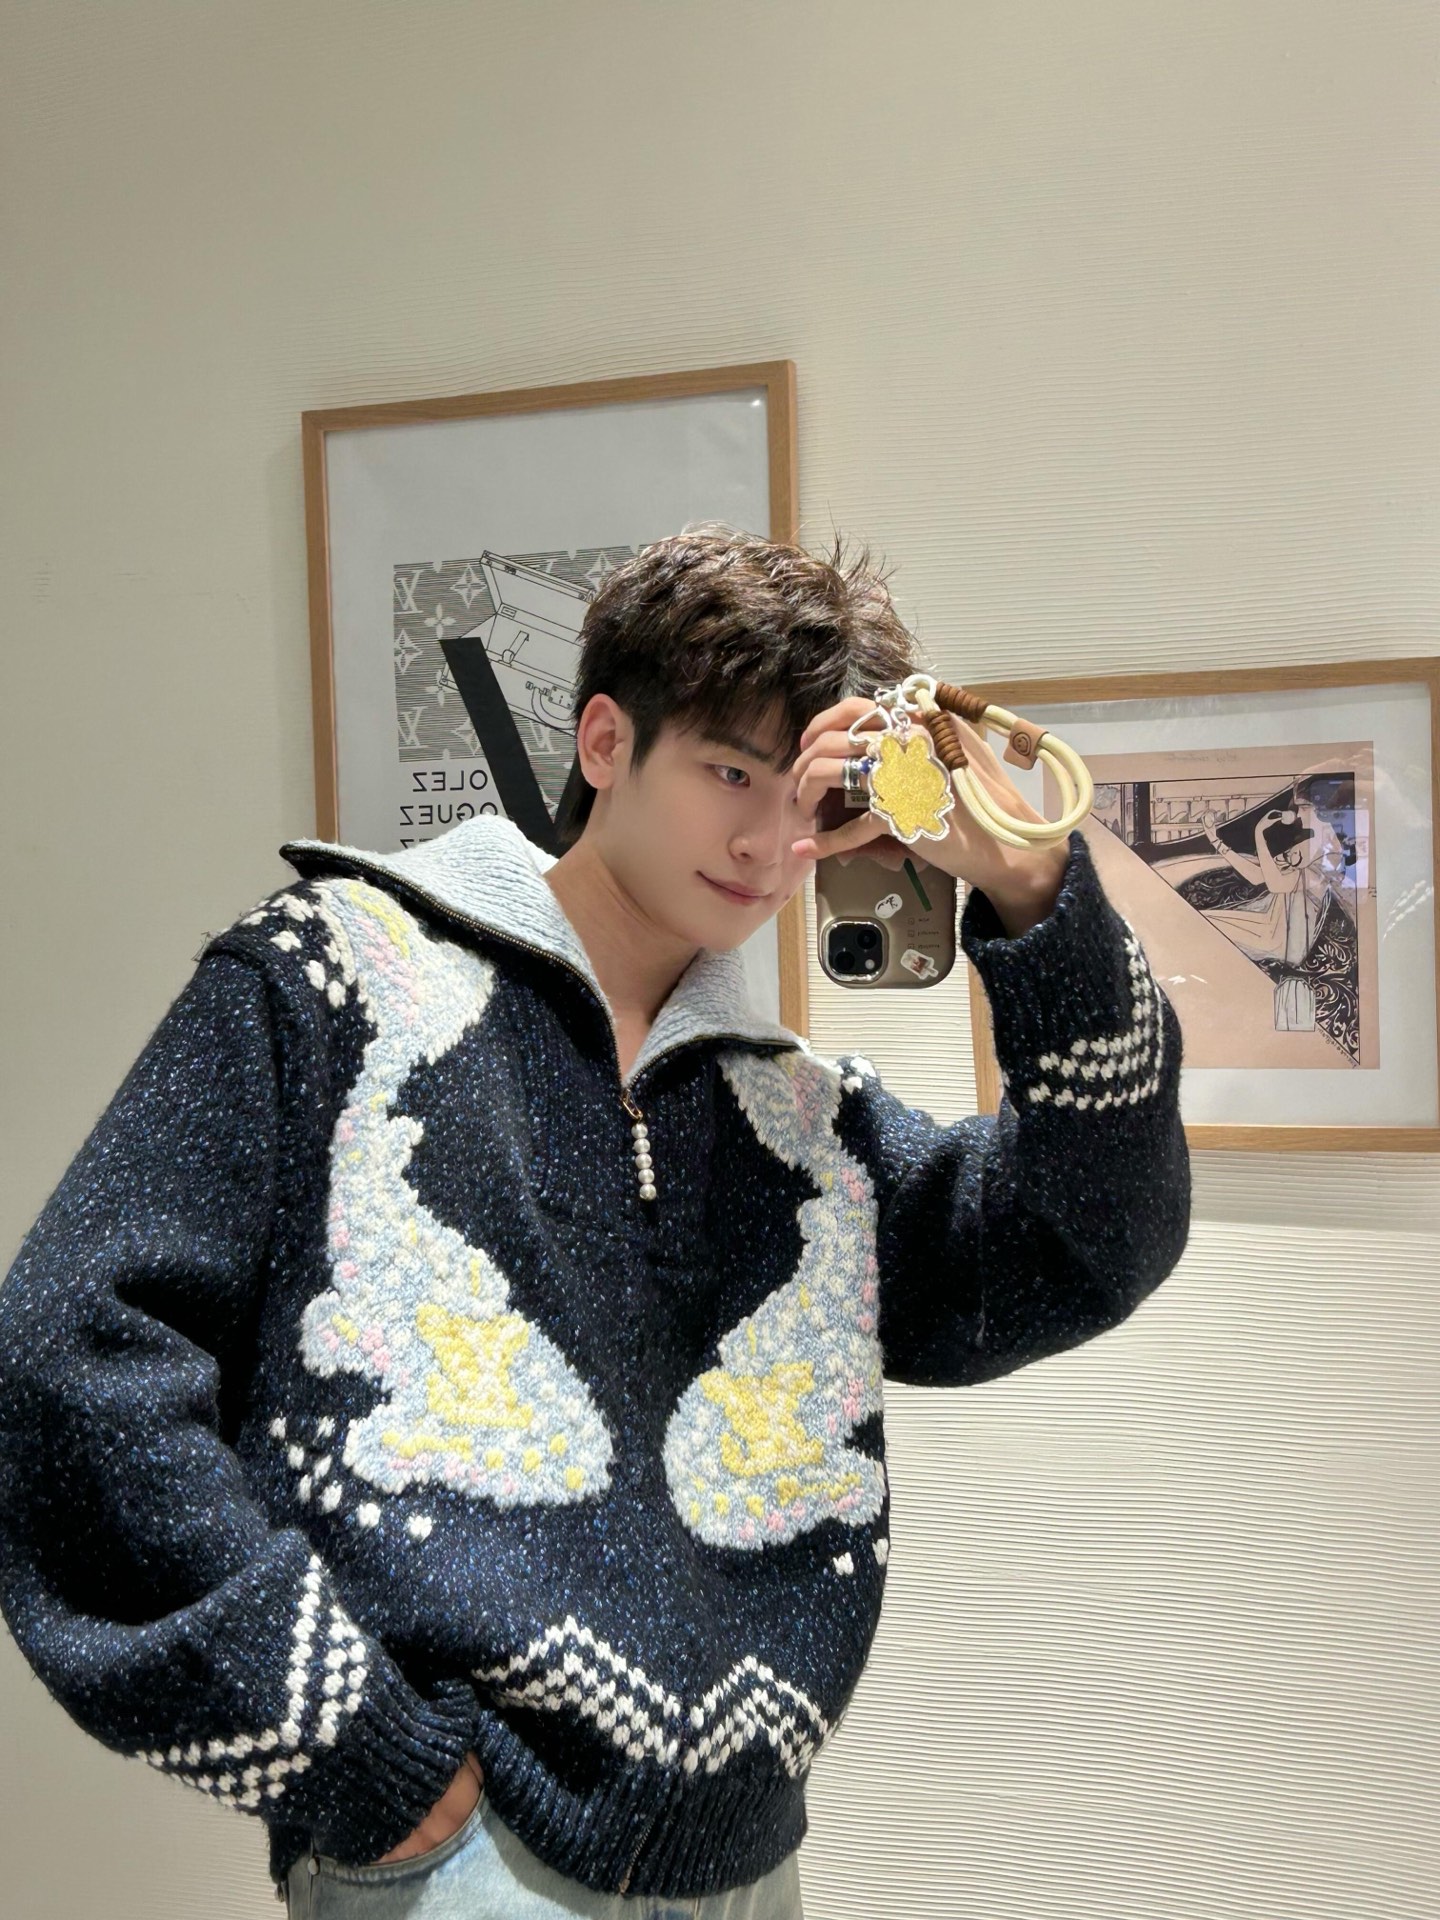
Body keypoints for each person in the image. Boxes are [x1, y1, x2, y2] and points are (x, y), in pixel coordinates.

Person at [0, 525, 1191, 1918]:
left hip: (748, 1868)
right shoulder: (330, 981)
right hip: (456, 1864)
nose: (766, 845)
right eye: (728, 773)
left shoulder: (804, 1122)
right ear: (608, 741)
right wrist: (347, 1747)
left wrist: (1031, 888)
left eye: (806, 801)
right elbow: (66, 1356)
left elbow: (1089, 1239)